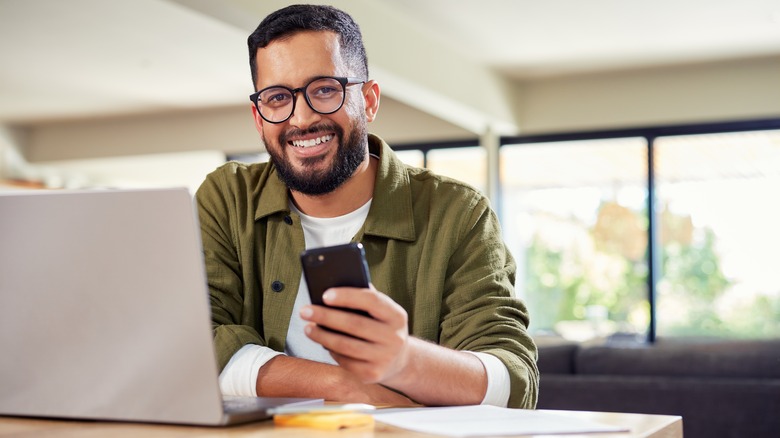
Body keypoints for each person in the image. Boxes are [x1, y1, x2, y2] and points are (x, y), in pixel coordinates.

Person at [196, 4, 538, 409]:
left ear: (369, 100)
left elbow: (513, 381)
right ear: (258, 116)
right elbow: (195, 341)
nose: (301, 118)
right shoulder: (227, 197)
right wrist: (343, 385)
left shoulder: (458, 212)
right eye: (277, 98)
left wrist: (404, 360)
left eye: (324, 89)